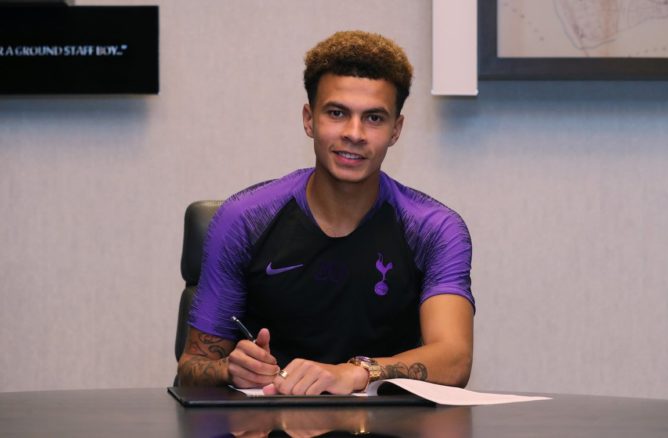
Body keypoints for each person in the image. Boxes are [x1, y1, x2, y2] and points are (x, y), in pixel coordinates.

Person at [177, 30, 475, 395]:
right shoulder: (243, 220)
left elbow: (455, 359)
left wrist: (355, 373)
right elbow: (191, 367)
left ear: (396, 130)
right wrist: (229, 368)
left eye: (374, 118)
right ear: (309, 119)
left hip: (387, 420)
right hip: (269, 416)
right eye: (337, 113)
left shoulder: (434, 229)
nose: (354, 133)